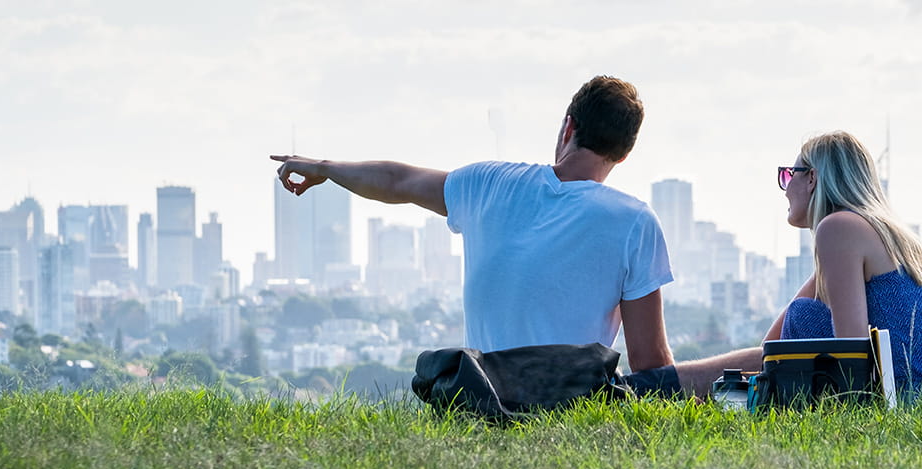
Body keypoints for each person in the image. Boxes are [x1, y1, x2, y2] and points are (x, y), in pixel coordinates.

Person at [271, 76, 680, 392]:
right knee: (736, 364)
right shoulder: (634, 221)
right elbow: (651, 363)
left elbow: (396, 180)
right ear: (624, 154)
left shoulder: (489, 182)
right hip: (570, 402)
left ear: (568, 127)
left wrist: (324, 167)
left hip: (482, 394)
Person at [671, 131, 922, 397]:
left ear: (812, 178)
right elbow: (772, 347)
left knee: (802, 316)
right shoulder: (880, 234)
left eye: (787, 175)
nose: (784, 190)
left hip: (917, 396)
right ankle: (658, 384)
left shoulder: (839, 228)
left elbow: (851, 354)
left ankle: (658, 386)